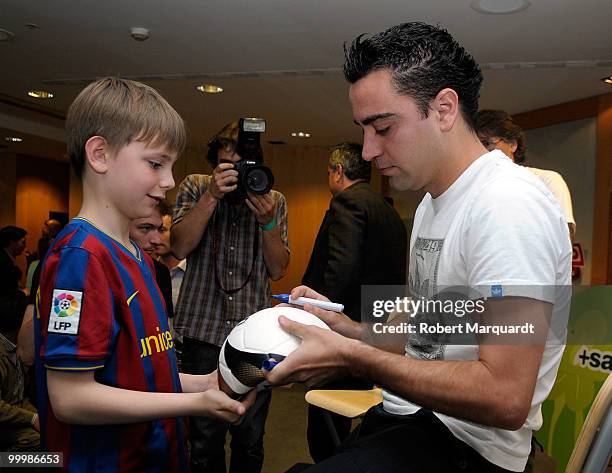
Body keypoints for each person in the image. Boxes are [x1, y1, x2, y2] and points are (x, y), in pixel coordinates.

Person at [266, 22, 571, 473]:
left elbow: (505, 395)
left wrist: (352, 357)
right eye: (364, 130)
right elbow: (425, 337)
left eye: (383, 127)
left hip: (470, 445)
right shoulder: (432, 203)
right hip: (409, 417)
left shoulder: (508, 205)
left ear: (445, 109)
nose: (368, 151)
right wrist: (344, 329)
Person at [34, 78, 254, 473]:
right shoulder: (80, 258)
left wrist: (203, 384)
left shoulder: (135, 253)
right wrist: (194, 404)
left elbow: (140, 374)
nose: (169, 181)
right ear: (100, 155)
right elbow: (70, 398)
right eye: (155, 164)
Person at [172, 120, 290, 473]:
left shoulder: (273, 199)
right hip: (201, 332)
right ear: (215, 165)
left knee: (250, 436)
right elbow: (178, 245)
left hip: (252, 339)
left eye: (244, 166)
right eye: (229, 166)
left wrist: (268, 222)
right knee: (203, 441)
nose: (238, 175)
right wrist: (212, 196)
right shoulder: (196, 186)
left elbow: (279, 269)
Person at [302, 141, 407, 461]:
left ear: (337, 171)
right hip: (383, 320)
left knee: (326, 413)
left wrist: (322, 311)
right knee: (362, 406)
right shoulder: (388, 208)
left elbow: (341, 267)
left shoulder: (346, 202)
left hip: (346, 323)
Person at [476, 109, 576, 240]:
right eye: (475, 146)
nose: (481, 152)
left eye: (486, 143)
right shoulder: (473, 188)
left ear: (512, 144)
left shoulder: (547, 180)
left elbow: (565, 236)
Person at [129, 199, 174, 318]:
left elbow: (166, 328)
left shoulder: (160, 273)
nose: (156, 240)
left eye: (160, 229)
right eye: (146, 228)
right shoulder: (103, 266)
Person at [0, 332, 39, 451]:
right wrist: (32, 418)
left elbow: (17, 398)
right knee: (35, 441)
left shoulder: (13, 350)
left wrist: (39, 417)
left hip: (7, 418)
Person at [154, 199, 186, 309]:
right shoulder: (149, 270)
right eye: (151, 229)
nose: (155, 237)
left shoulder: (192, 273)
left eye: (162, 230)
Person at [0, 226, 28, 340]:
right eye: (22, 242)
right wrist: (22, 294)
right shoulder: (3, 261)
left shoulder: (7, 257)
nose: (24, 245)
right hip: (5, 314)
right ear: (12, 242)